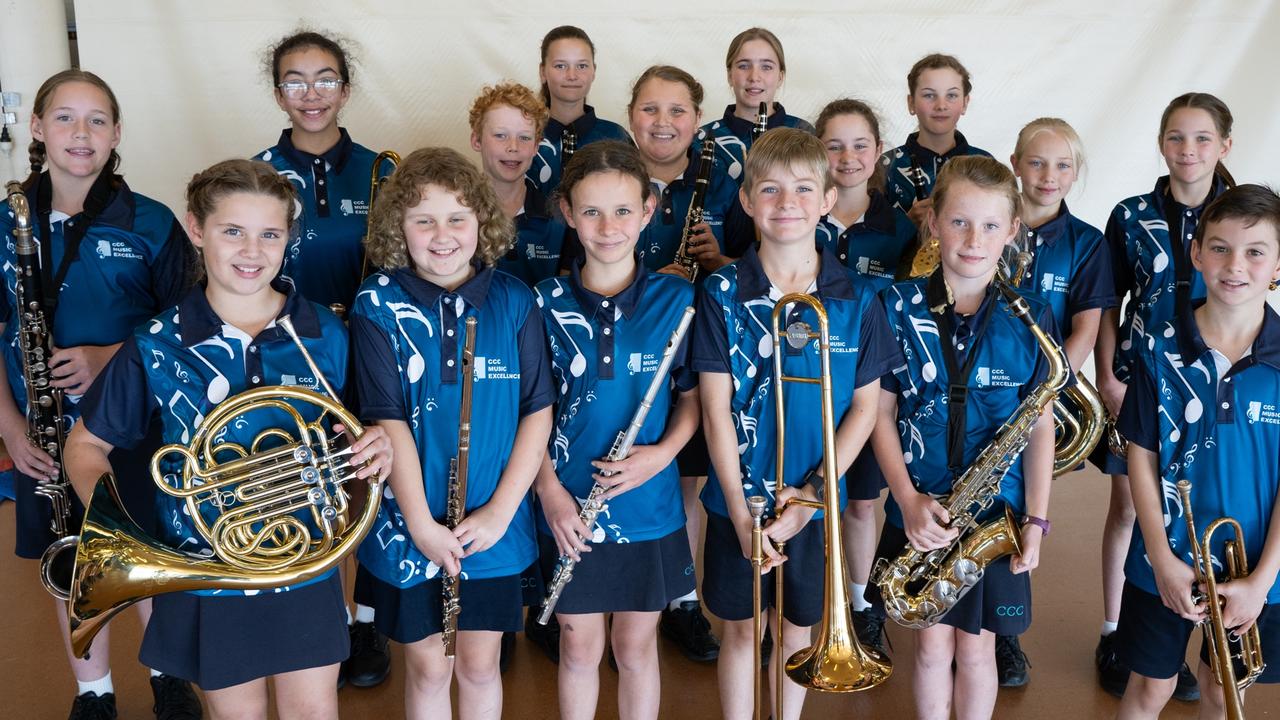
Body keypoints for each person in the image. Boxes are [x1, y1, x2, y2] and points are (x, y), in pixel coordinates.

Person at [64, 158, 393, 720]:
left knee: (315, 711)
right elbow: (84, 445)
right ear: (196, 230)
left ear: (290, 239)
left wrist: (380, 443)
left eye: (270, 234)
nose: (252, 251)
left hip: (305, 564)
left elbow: (369, 428)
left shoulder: (325, 332)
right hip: (207, 571)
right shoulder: (157, 343)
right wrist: (120, 526)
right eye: (232, 231)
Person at [0, 69, 199, 720]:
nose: (79, 133)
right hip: (41, 434)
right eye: (63, 117)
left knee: (147, 558)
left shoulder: (153, 221)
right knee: (72, 560)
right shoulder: (8, 221)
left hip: (137, 429)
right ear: (36, 127)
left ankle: (167, 677)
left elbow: (189, 328)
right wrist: (9, 427)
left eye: (96, 120)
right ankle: (94, 693)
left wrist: (109, 357)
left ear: (117, 132)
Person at [694, 127, 898, 720]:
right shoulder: (722, 293)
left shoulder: (858, 297)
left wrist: (810, 496)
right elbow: (713, 408)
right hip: (740, 500)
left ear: (828, 200)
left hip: (815, 503)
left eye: (805, 190)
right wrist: (737, 508)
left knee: (797, 635)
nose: (788, 204)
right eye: (772, 190)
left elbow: (865, 409)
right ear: (748, 201)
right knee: (738, 633)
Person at [350, 147, 554, 720]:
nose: (443, 236)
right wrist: (420, 524)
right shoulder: (377, 303)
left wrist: (501, 513)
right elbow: (386, 418)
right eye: (424, 220)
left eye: (457, 218)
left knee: (480, 665)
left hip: (495, 526)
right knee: (429, 667)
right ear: (400, 228)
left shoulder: (515, 300)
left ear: (482, 223)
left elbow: (538, 411)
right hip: (407, 525)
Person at [869, 156, 1057, 720]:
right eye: (959, 222)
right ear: (933, 224)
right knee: (928, 645)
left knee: (977, 650)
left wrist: (1037, 521)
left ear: (1013, 232)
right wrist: (905, 499)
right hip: (920, 506)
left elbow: (1041, 422)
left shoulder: (1032, 315)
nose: (974, 239)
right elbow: (879, 413)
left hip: (996, 514)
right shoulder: (894, 306)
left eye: (991, 225)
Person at [534, 139, 699, 720]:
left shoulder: (677, 300)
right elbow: (529, 416)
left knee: (636, 645)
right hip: (569, 506)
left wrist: (662, 455)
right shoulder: (542, 303)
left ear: (649, 210)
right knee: (578, 645)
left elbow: (693, 401)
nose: (608, 227)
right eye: (592, 212)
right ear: (567, 213)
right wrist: (550, 493)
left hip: (648, 504)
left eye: (624, 211)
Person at [1113, 184, 1280, 719]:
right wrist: (1161, 559)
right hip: (1164, 560)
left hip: (1254, 567)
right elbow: (1139, 454)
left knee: (1221, 688)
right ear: (1197, 254)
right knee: (1148, 690)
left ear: (1278, 263)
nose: (1236, 265)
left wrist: (1262, 581)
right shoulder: (1158, 348)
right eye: (1221, 247)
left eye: (1256, 251)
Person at [1093, 92, 1236, 701]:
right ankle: (1117, 631)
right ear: (1160, 144)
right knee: (1131, 507)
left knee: (1200, 514)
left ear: (1224, 146)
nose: (1189, 151)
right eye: (1177, 138)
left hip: (1214, 388)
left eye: (1203, 139)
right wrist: (1108, 377)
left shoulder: (1238, 217)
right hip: (1142, 386)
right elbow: (1107, 304)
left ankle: (1190, 638)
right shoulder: (1129, 216)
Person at [993, 117, 1115, 687]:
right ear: (1015, 163)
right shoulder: (992, 222)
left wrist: (1042, 383)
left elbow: (1087, 329)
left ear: (1076, 173)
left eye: (1063, 165)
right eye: (1037, 163)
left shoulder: (1088, 243)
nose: (1049, 176)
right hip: (982, 390)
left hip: (1043, 397)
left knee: (1020, 511)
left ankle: (1005, 635)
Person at [254, 30, 395, 315]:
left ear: (345, 92)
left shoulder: (383, 171)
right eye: (295, 83)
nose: (311, 95)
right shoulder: (255, 175)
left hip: (373, 338)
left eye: (326, 81)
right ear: (279, 96)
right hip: (282, 340)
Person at [467, 81, 568, 286]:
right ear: (477, 140)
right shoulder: (454, 215)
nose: (513, 147)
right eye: (500, 135)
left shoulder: (560, 218)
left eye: (524, 137)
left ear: (535, 146)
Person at [880, 53, 992, 232]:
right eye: (929, 95)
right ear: (911, 103)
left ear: (965, 103)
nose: (941, 105)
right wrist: (906, 224)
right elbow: (870, 243)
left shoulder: (986, 162)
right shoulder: (884, 166)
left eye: (952, 95)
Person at [697, 27, 815, 187]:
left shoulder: (803, 132)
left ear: (780, 76)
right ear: (730, 75)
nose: (754, 77)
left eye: (766, 67)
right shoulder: (702, 138)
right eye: (744, 66)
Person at [527, 25, 632, 198]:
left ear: (594, 71)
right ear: (543, 71)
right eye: (560, 66)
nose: (572, 75)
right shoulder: (523, 134)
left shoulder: (615, 136)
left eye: (582, 66)